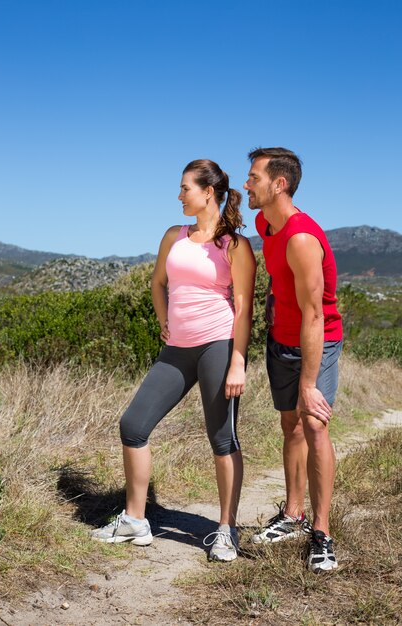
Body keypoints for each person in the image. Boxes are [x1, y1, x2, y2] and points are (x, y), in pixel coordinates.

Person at [91, 159, 256, 562]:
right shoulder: (174, 236)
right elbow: (158, 282)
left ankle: (225, 529)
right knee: (133, 425)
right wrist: (164, 319)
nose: (179, 195)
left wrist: (238, 361)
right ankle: (135, 520)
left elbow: (243, 306)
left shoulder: (234, 245)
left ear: (208, 192)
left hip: (217, 344)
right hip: (176, 349)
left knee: (222, 438)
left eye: (185, 188)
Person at [244, 147, 343, 572]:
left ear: (278, 184)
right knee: (290, 425)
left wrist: (308, 383)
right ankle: (294, 514)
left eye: (253, 177)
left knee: (315, 425)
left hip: (314, 340)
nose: (246, 184)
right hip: (280, 339)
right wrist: (270, 300)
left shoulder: (302, 237)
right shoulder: (264, 221)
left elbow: (315, 314)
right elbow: (277, 275)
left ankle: (321, 532)